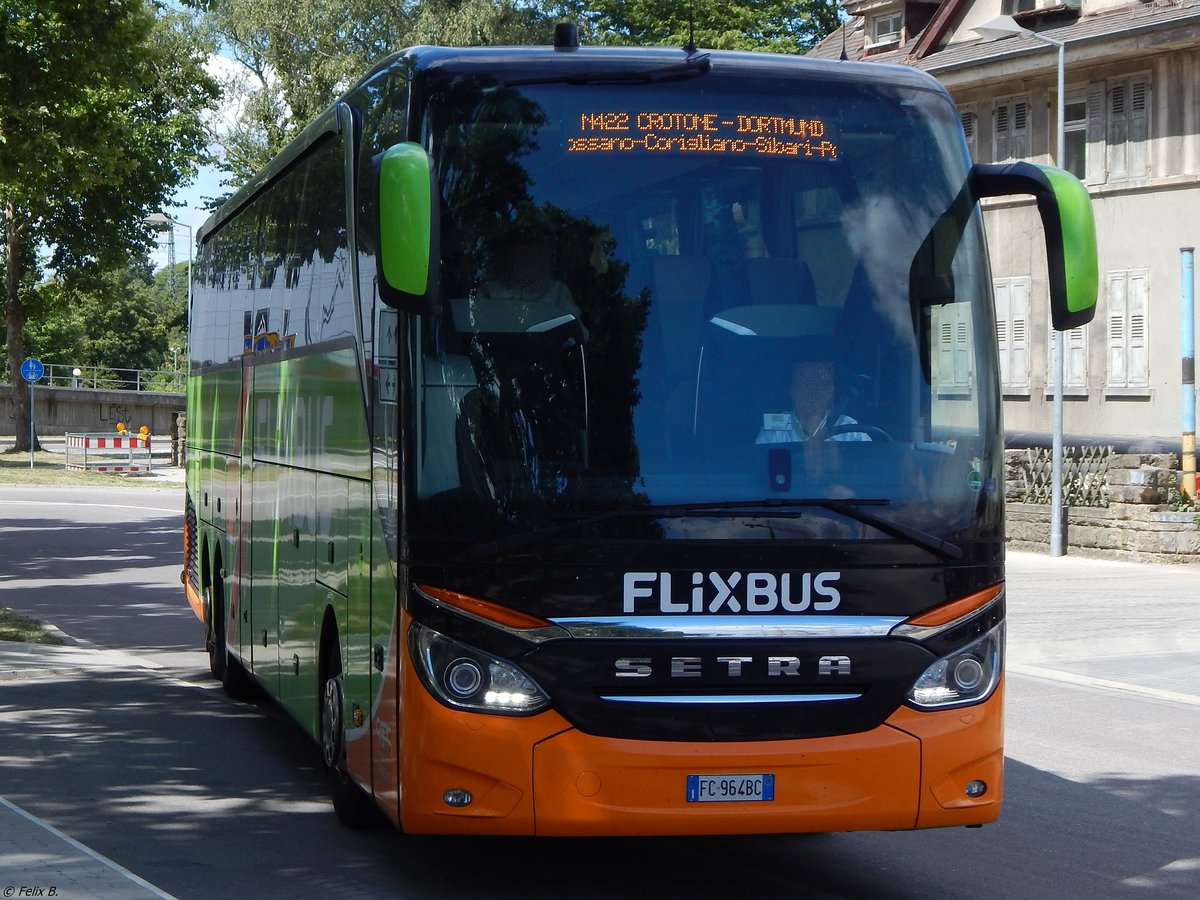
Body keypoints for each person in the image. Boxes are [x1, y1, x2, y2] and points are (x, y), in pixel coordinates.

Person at [755, 358, 870, 444]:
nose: (815, 390)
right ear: (793, 391)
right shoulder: (775, 428)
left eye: (822, 384)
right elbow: (760, 465)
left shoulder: (850, 430)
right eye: (807, 383)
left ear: (831, 391)